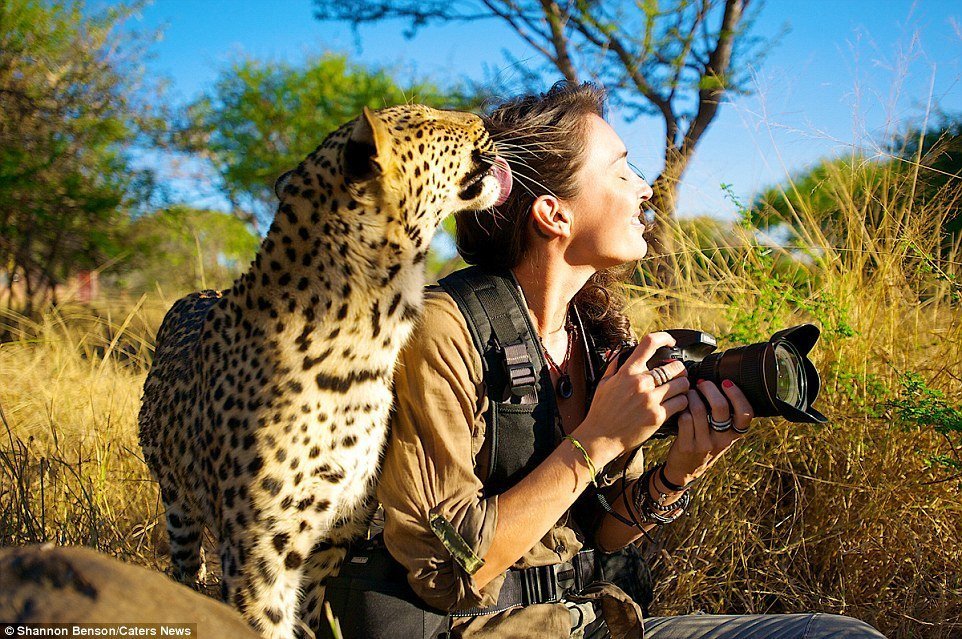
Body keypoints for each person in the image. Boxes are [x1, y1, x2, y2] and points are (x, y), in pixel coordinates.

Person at [375, 82, 886, 639]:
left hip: (594, 622)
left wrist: (678, 471)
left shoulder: (592, 336)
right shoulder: (440, 328)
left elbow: (600, 534)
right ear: (553, 215)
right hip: (472, 629)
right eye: (622, 172)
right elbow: (447, 572)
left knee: (839, 634)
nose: (644, 188)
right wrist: (599, 439)